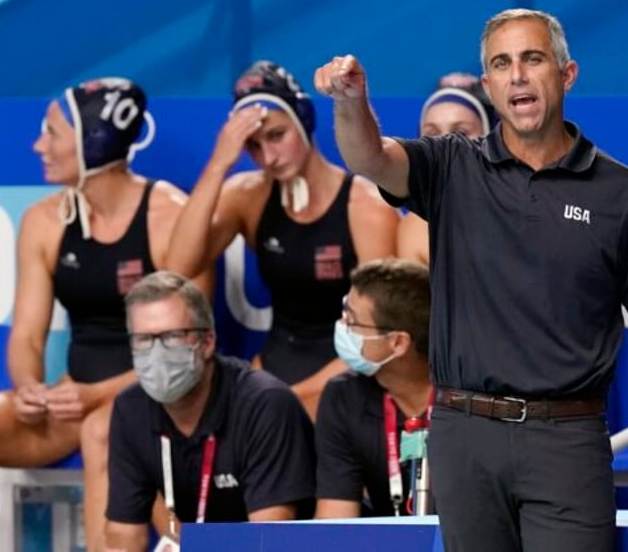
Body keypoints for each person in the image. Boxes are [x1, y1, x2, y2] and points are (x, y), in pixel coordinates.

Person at [315, 7, 628, 552]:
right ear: (490, 86)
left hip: (567, 441)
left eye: (532, 58)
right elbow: (371, 158)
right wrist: (351, 105)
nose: (517, 74)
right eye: (501, 63)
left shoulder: (618, 192)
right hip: (464, 435)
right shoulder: (450, 167)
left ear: (566, 75)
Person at [0, 77, 212, 552]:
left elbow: (188, 354)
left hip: (158, 403)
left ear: (93, 141)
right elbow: (27, 336)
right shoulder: (44, 221)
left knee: (103, 427)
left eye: (51, 132)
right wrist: (29, 387)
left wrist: (95, 396)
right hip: (75, 402)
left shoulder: (171, 217)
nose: (38, 144)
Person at [165, 60, 398, 420]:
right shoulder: (249, 195)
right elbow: (178, 268)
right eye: (253, 146)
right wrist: (218, 163)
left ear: (303, 121)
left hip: (347, 371)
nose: (268, 157)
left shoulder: (364, 207)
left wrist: (290, 398)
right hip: (277, 366)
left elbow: (382, 331)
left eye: (276, 136)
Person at [104, 271, 316, 551]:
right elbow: (122, 539)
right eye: (143, 339)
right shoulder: (130, 410)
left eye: (173, 336)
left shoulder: (264, 404)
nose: (157, 353)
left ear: (207, 342)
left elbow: (269, 542)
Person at [314, 258, 432, 518]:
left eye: (352, 321)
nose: (342, 327)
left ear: (398, 343)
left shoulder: (465, 400)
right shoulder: (343, 398)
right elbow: (335, 523)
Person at [398, 72, 498, 265]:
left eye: (460, 133)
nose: (444, 145)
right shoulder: (415, 228)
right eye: (432, 133)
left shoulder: (523, 208)